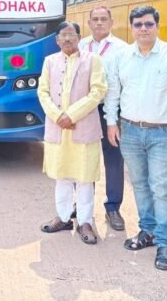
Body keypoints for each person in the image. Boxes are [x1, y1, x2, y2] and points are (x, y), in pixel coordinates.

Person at [104, 5, 167, 271]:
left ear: (157, 26)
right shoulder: (121, 57)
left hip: (164, 132)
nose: (143, 29)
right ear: (131, 27)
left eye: (149, 24)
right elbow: (113, 93)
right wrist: (111, 123)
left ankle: (165, 244)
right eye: (138, 24)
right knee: (139, 184)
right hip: (130, 131)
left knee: (162, 188)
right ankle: (147, 231)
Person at [37, 21, 107, 244]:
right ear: (57, 40)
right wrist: (58, 116)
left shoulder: (92, 60)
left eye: (71, 35)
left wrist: (72, 115)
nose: (67, 39)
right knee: (62, 175)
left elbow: (98, 91)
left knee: (85, 177)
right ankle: (64, 217)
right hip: (58, 127)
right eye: (63, 35)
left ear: (79, 37)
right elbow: (42, 92)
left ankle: (85, 222)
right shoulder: (50, 61)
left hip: (83, 126)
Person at [78, 6, 129, 231]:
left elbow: (119, 84)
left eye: (103, 19)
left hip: (111, 109)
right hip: (84, 110)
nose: (99, 23)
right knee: (83, 157)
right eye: (95, 19)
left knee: (114, 158)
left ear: (111, 22)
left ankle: (113, 207)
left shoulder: (122, 49)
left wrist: (112, 120)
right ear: (89, 23)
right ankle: (82, 206)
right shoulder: (81, 45)